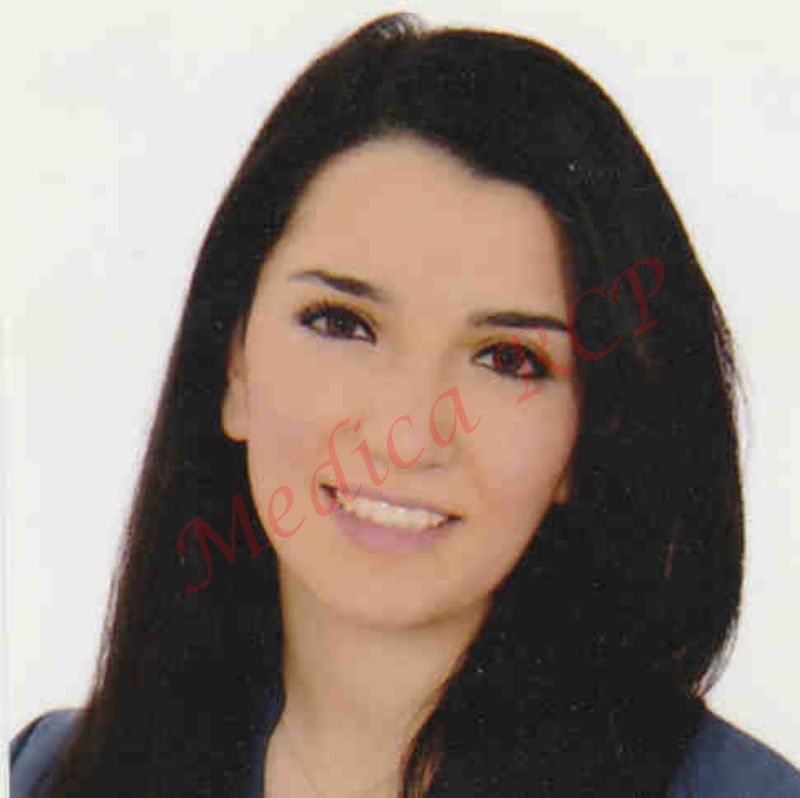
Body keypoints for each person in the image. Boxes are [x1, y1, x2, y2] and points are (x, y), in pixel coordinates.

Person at [10, 11, 800, 797]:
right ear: (234, 366)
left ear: (588, 435)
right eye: (341, 323)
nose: (405, 434)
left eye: (507, 359)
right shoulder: (54, 775)